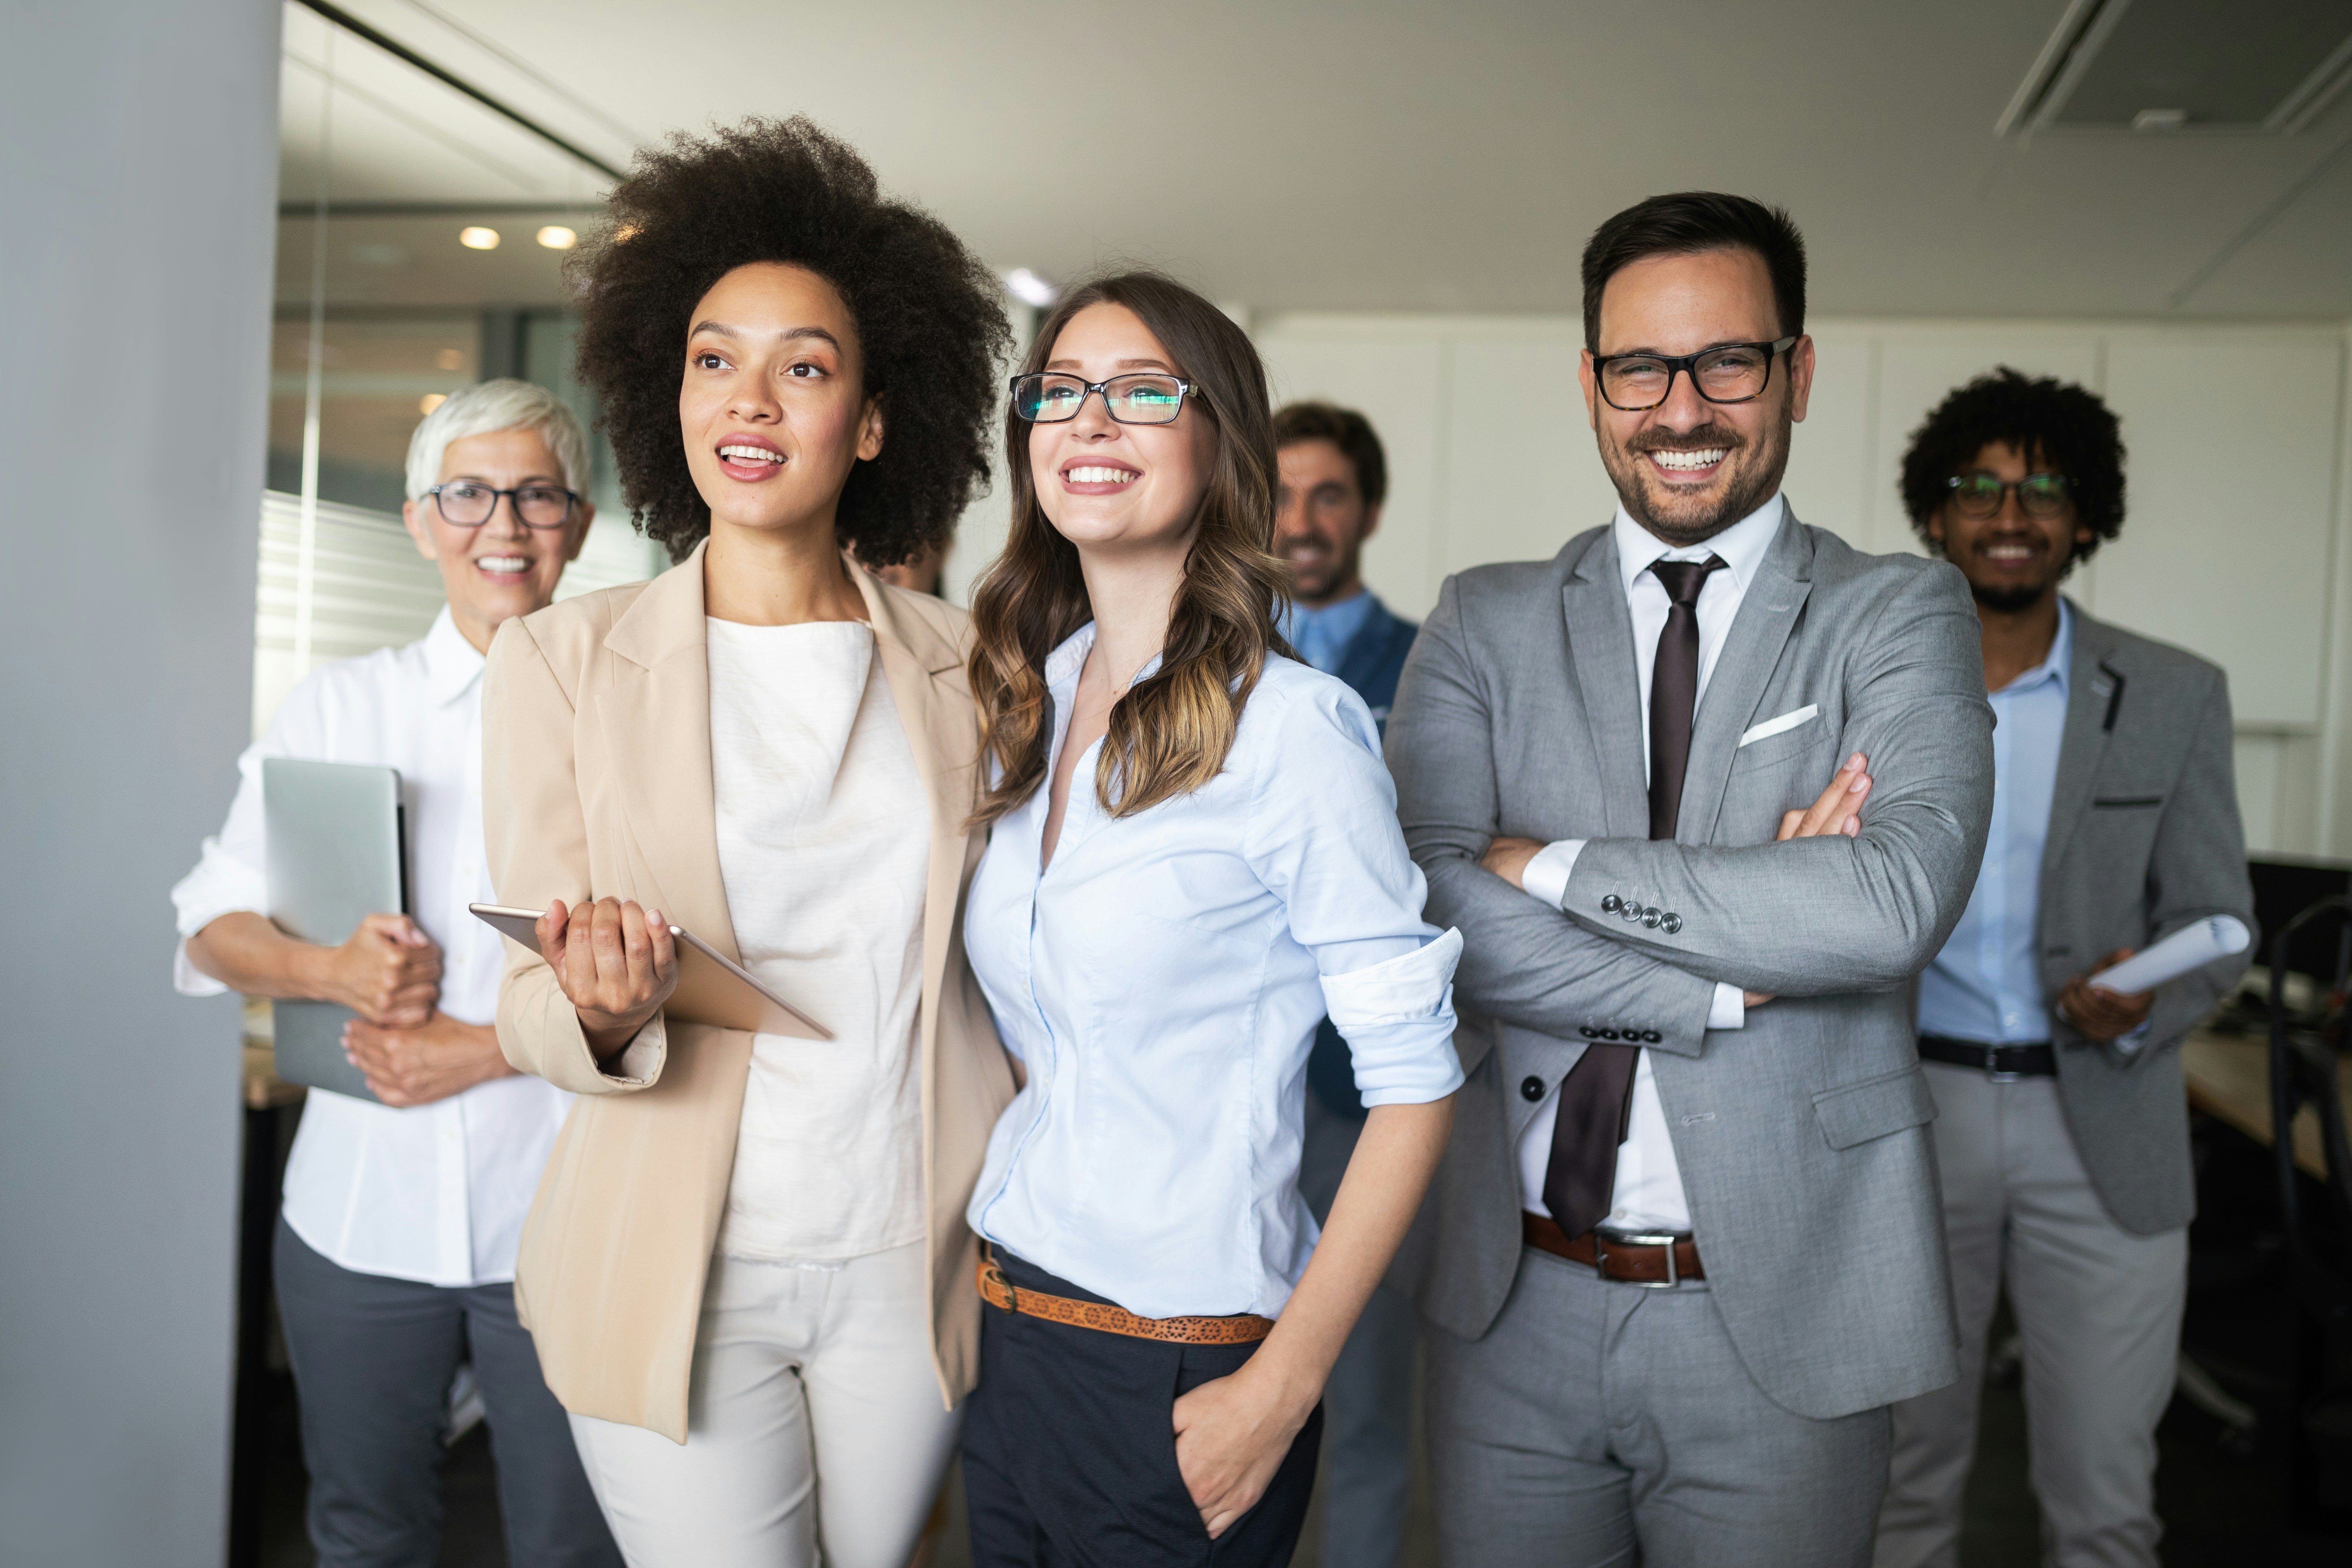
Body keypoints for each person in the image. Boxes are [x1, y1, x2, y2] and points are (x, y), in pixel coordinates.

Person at [1386, 192, 1997, 1566]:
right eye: (1637, 368)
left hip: (1785, 1311)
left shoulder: (1894, 613)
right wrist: (1733, 972)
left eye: (1727, 362)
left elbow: (1887, 907)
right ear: (1591, 384)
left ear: (1797, 372)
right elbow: (1427, 913)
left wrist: (1539, 864)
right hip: (1513, 1304)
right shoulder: (1482, 621)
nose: (1681, 410)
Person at [478, 118, 1013, 1568]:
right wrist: (591, 1006)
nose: (750, 396)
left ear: (879, 419)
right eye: (714, 356)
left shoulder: (975, 670)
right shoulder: (563, 665)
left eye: (806, 364)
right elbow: (526, 997)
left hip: (913, 1253)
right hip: (678, 1263)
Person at [955, 272, 1464, 1565]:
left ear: (1218, 437)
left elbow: (1413, 1091)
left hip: (1179, 1366)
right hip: (1009, 1332)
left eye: (1140, 393)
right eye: (1059, 393)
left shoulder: (1294, 733)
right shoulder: (1028, 692)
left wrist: (1282, 1389)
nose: (1090, 422)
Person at [172, 379, 620, 1568]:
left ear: (576, 521)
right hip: (359, 1217)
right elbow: (210, 921)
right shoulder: (341, 705)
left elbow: (684, 969)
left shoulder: (631, 721)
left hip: (564, 1212)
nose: (504, 526)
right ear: (423, 522)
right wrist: (327, 969)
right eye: (468, 494)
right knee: (366, 1537)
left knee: (575, 1546)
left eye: (535, 495)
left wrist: (476, 1047)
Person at [1873, 370, 2255, 1568]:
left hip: (2101, 1120)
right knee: (1897, 1484)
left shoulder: (2176, 695)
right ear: (1935, 516)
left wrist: (2144, 989)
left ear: (2086, 518)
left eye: (2044, 487)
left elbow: (2221, 918)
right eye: (1978, 486)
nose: (2010, 512)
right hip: (1905, 1119)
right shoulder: (1869, 683)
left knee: (2103, 1501)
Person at [1271, 400, 1421, 1567]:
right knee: (1219, 1388)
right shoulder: (1205, 658)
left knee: (1364, 1402)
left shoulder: (1432, 670)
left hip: (1366, 1093)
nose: (1303, 521)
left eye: (1329, 495)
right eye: (1280, 494)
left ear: (1367, 510)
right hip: (1228, 1089)